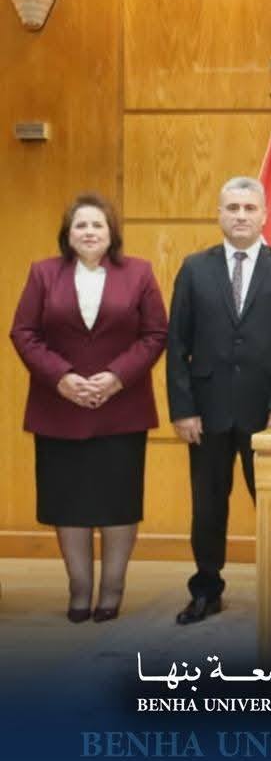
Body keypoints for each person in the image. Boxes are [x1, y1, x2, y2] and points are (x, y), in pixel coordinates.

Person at [9, 193, 167, 623]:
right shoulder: (44, 273)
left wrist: (116, 377)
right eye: (81, 225)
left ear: (111, 232)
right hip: (60, 409)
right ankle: (79, 591)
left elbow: (156, 333)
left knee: (118, 503)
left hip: (122, 408)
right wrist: (61, 377)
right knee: (69, 503)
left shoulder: (139, 273)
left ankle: (112, 591)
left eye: (97, 225)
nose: (90, 232)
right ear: (68, 233)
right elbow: (23, 332)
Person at [167, 176, 271, 625]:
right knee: (207, 506)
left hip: (266, 414)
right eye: (232, 208)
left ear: (265, 215)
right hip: (207, 414)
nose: (241, 216)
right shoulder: (194, 268)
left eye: (250, 208)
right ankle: (206, 590)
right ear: (219, 214)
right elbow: (177, 344)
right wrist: (184, 408)